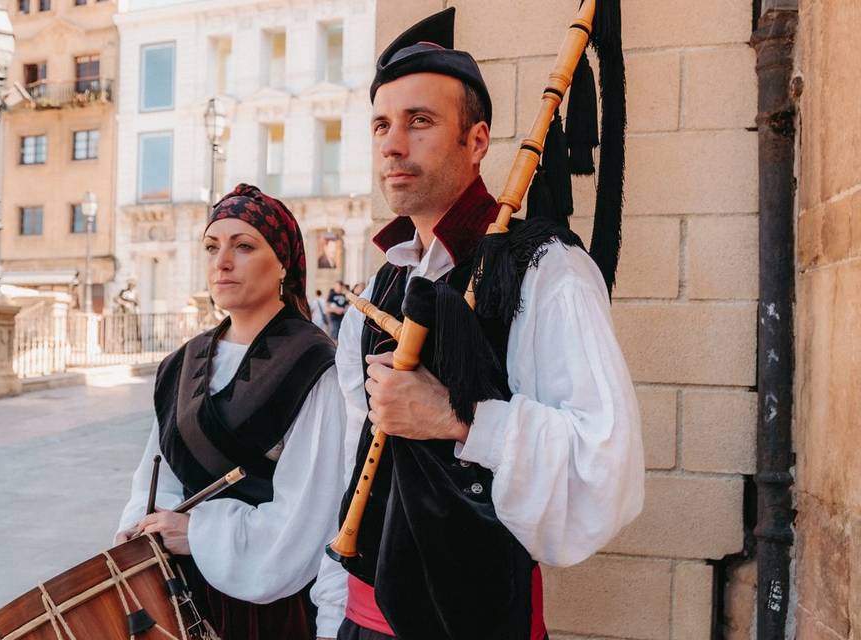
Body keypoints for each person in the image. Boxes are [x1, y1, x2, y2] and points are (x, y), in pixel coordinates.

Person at [315, 7, 642, 640]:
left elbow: (608, 468)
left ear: (477, 141)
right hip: (362, 618)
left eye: (420, 121)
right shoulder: (384, 283)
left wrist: (459, 420)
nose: (392, 143)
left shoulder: (547, 270)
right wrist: (333, 618)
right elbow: (353, 472)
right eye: (381, 124)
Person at [116, 184, 348, 639]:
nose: (222, 261)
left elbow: (310, 516)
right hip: (177, 591)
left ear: (283, 262)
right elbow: (155, 470)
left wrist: (198, 534)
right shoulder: (181, 363)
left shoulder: (315, 364)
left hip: (269, 610)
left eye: (243, 246)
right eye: (212, 246)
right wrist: (139, 527)